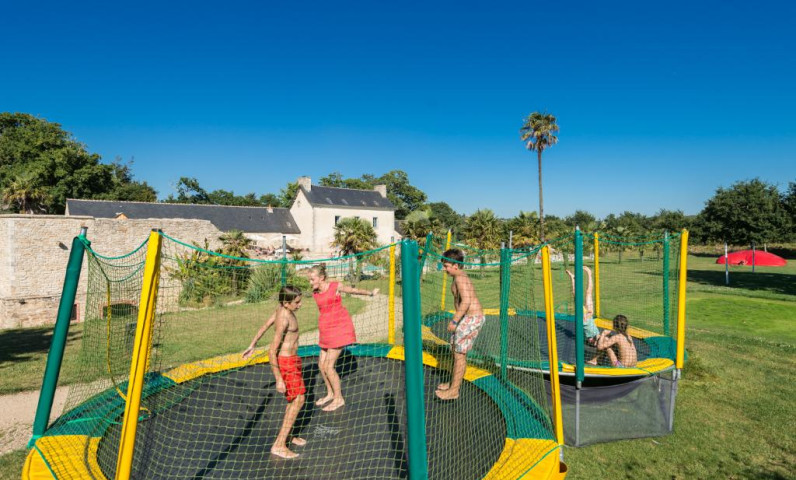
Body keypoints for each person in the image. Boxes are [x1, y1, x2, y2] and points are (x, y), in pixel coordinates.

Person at [242, 285, 306, 459]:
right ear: (286, 303)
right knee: (299, 400)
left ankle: (289, 435)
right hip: (287, 363)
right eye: (297, 302)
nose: (300, 305)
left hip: (293, 360)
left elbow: (265, 325)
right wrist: (278, 379)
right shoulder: (284, 318)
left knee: (294, 399)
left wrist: (252, 344)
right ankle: (279, 445)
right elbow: (272, 351)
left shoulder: (280, 309)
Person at [309, 264, 378, 412]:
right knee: (321, 365)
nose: (310, 282)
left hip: (339, 328)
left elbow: (354, 290)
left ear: (321, 278)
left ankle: (338, 399)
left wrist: (370, 293)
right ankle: (330, 393)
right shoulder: (315, 292)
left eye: (312, 279)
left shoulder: (335, 287)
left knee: (329, 366)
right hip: (325, 330)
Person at [435, 248, 485, 401]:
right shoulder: (458, 276)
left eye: (446, 266)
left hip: (471, 318)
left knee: (459, 355)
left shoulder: (460, 279)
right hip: (466, 318)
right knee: (455, 350)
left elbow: (466, 301)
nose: (444, 269)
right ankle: (453, 384)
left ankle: (454, 391)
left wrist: (455, 320)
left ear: (455, 265)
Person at [565, 266, 601, 345]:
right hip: (589, 314)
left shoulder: (588, 337)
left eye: (591, 342)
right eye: (592, 342)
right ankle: (589, 273)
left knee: (575, 296)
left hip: (583, 317)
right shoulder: (597, 335)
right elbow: (598, 338)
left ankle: (572, 278)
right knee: (588, 293)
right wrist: (596, 341)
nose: (591, 342)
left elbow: (590, 340)